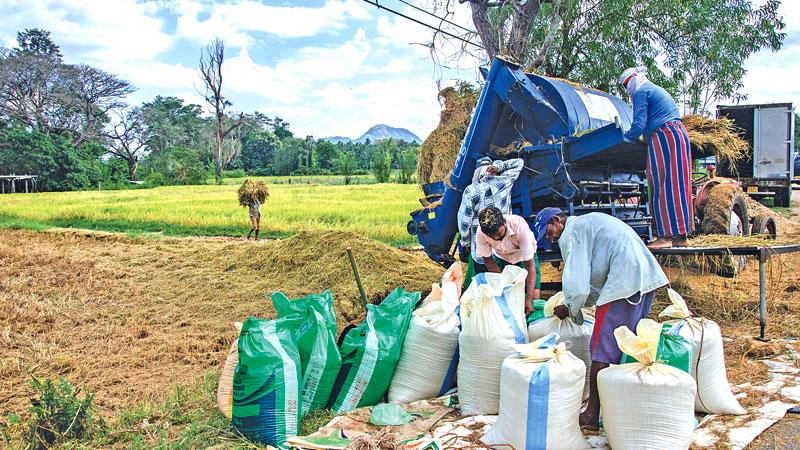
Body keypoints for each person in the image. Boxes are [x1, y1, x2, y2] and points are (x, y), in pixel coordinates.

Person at [533, 207, 668, 430]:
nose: (552, 239)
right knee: (627, 346)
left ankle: (592, 415)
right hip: (642, 276)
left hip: (624, 281)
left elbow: (577, 286)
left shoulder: (571, 233)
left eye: (549, 233)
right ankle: (618, 408)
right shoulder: (587, 225)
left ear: (557, 221)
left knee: (600, 349)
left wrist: (569, 307)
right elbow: (593, 274)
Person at [621, 66, 693, 249]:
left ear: (634, 79)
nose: (627, 89)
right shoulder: (654, 89)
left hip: (664, 136)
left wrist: (622, 139)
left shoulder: (642, 91)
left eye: (627, 84)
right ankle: (681, 237)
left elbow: (638, 125)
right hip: (678, 135)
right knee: (679, 185)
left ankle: (664, 237)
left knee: (661, 185)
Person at [457, 157, 524, 288]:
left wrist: (465, 241)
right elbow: (519, 162)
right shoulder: (505, 181)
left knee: (485, 288)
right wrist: (499, 166)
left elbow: (464, 222)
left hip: (481, 250)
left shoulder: (471, 191)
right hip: (504, 249)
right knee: (506, 286)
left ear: (476, 172)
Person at [475, 206, 541, 315]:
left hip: (523, 255)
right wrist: (503, 284)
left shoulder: (519, 227)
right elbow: (489, 261)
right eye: (492, 237)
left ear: (504, 223)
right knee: (506, 296)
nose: (496, 238)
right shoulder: (481, 233)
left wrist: (529, 300)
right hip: (501, 256)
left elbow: (530, 267)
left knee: (534, 296)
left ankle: (531, 322)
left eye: (499, 234)